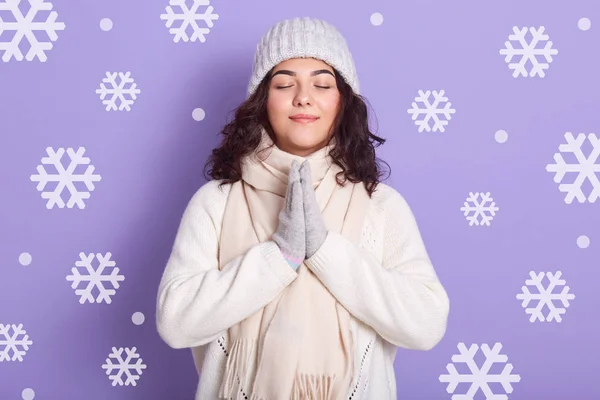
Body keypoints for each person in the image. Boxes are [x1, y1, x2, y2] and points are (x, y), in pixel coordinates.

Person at [156, 17, 450, 400]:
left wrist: (325, 251)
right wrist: (280, 258)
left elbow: (426, 325)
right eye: (284, 83)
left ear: (343, 102)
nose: (303, 97)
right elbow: (176, 322)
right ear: (262, 102)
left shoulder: (381, 206)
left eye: (323, 83)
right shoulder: (217, 200)